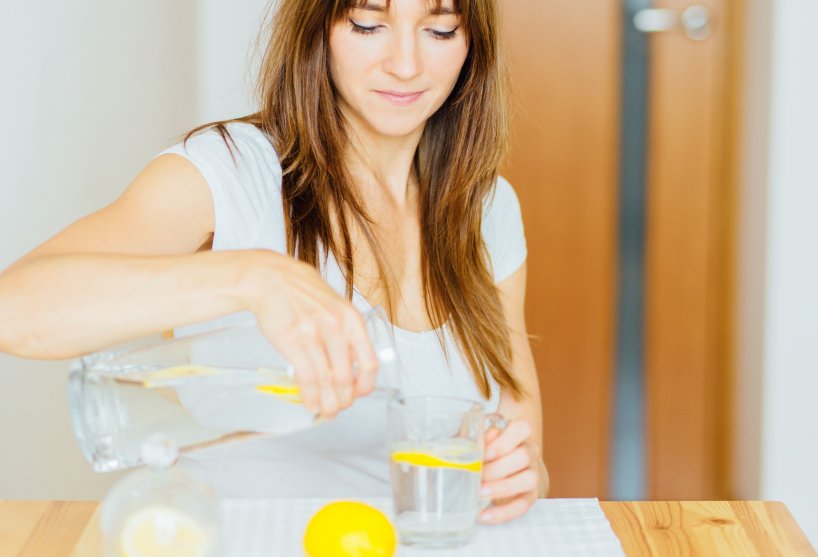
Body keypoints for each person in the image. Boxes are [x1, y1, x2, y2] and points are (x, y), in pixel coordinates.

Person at [0, 0, 547, 524]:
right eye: (366, 24)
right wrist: (251, 276)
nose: (405, 65)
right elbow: (16, 309)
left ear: (473, 44)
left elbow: (524, 444)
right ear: (319, 29)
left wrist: (520, 476)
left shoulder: (487, 209)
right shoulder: (231, 171)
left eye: (440, 30)